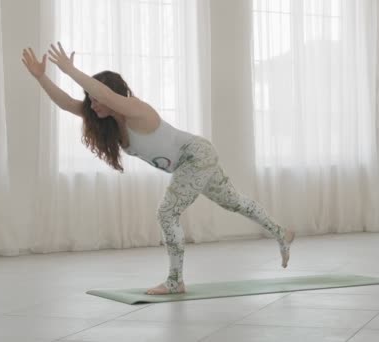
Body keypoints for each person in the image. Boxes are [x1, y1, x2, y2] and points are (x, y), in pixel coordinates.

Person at [21, 42, 295, 295]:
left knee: (168, 212)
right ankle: (282, 234)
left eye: (96, 98)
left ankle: (175, 281)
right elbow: (68, 104)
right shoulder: (107, 119)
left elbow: (102, 92)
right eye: (90, 99)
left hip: (195, 154)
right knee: (234, 203)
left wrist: (70, 70)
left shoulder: (137, 110)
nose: (92, 103)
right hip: (191, 161)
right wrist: (40, 77)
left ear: (113, 95)